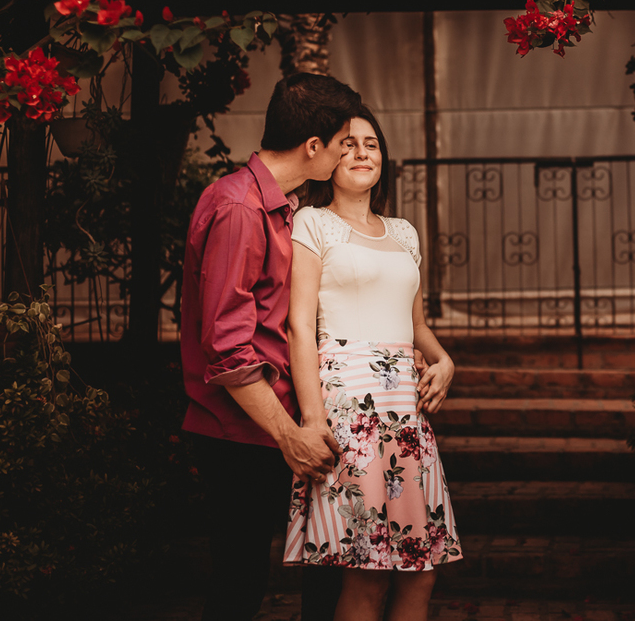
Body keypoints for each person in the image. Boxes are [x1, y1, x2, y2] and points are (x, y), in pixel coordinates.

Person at [180, 73, 360, 621]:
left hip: (280, 425)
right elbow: (228, 350)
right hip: (242, 432)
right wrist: (291, 437)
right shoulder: (239, 208)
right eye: (341, 144)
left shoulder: (282, 207)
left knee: (327, 568)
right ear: (313, 147)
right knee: (239, 584)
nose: (345, 156)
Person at [283, 106, 462, 621]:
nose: (362, 151)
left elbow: (417, 325)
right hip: (348, 410)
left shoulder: (404, 232)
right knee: (368, 570)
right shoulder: (312, 224)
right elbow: (299, 326)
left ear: (383, 158)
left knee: (421, 566)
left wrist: (444, 360)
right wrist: (313, 419)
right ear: (328, 157)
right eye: (349, 142)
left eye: (372, 143)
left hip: (407, 412)